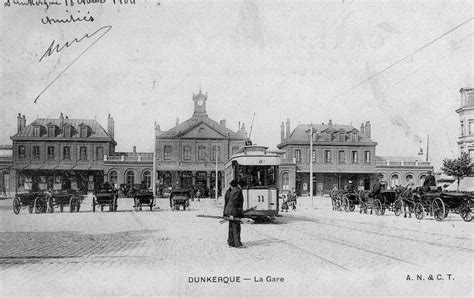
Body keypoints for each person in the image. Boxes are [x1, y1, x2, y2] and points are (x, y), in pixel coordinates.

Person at [223, 180, 244, 248]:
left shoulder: (231, 191)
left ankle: (231, 242)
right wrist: (233, 214)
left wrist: (226, 213)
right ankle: (237, 244)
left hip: (230, 211)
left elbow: (227, 202)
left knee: (231, 227)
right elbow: (234, 203)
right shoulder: (237, 191)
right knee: (236, 227)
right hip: (234, 212)